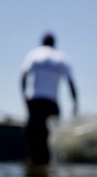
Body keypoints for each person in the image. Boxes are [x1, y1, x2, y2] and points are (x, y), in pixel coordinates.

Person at [21, 32, 78, 165]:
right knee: (50, 135)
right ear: (54, 43)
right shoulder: (61, 58)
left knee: (33, 135)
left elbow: (23, 76)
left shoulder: (34, 54)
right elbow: (71, 83)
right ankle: (47, 166)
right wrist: (75, 103)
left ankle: (32, 164)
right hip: (51, 101)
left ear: (42, 42)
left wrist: (24, 97)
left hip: (34, 100)